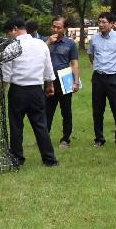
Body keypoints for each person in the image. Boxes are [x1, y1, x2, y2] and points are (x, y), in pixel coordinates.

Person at [1, 18, 58, 167]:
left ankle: (17, 159)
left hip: (17, 91)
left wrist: (2, 90)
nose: (9, 37)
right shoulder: (40, 44)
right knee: (41, 125)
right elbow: (48, 68)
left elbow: (6, 75)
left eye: (9, 33)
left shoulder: (11, 48)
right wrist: (50, 85)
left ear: (14, 29)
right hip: (36, 91)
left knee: (16, 126)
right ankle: (49, 159)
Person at [88, 12, 116, 147]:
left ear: (112, 24)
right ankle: (99, 138)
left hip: (114, 77)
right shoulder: (94, 39)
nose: (101, 25)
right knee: (97, 109)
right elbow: (91, 55)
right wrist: (98, 66)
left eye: (104, 22)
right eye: (99, 22)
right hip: (98, 77)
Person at [45, 16, 80, 148]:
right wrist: (48, 42)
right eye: (53, 26)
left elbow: (75, 63)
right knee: (47, 111)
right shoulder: (45, 42)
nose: (55, 29)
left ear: (65, 29)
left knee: (66, 111)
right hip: (49, 80)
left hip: (65, 79)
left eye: (59, 27)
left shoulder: (70, 44)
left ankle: (65, 139)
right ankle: (44, 136)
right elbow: (37, 55)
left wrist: (76, 82)